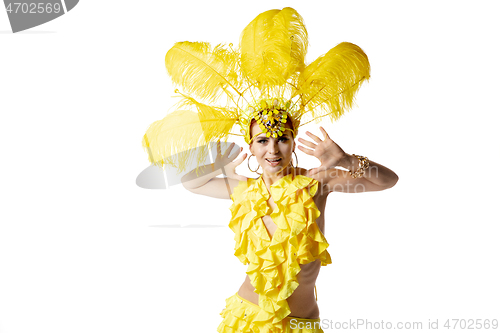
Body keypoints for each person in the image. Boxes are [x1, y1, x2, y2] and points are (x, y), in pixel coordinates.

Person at [142, 7, 398, 333]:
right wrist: (217, 164)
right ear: (250, 145)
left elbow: (388, 181)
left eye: (282, 139)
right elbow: (191, 183)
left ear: (293, 142)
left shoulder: (317, 182)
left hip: (301, 324)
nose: (272, 150)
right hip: (247, 318)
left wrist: (347, 160)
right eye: (262, 140)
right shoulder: (243, 189)